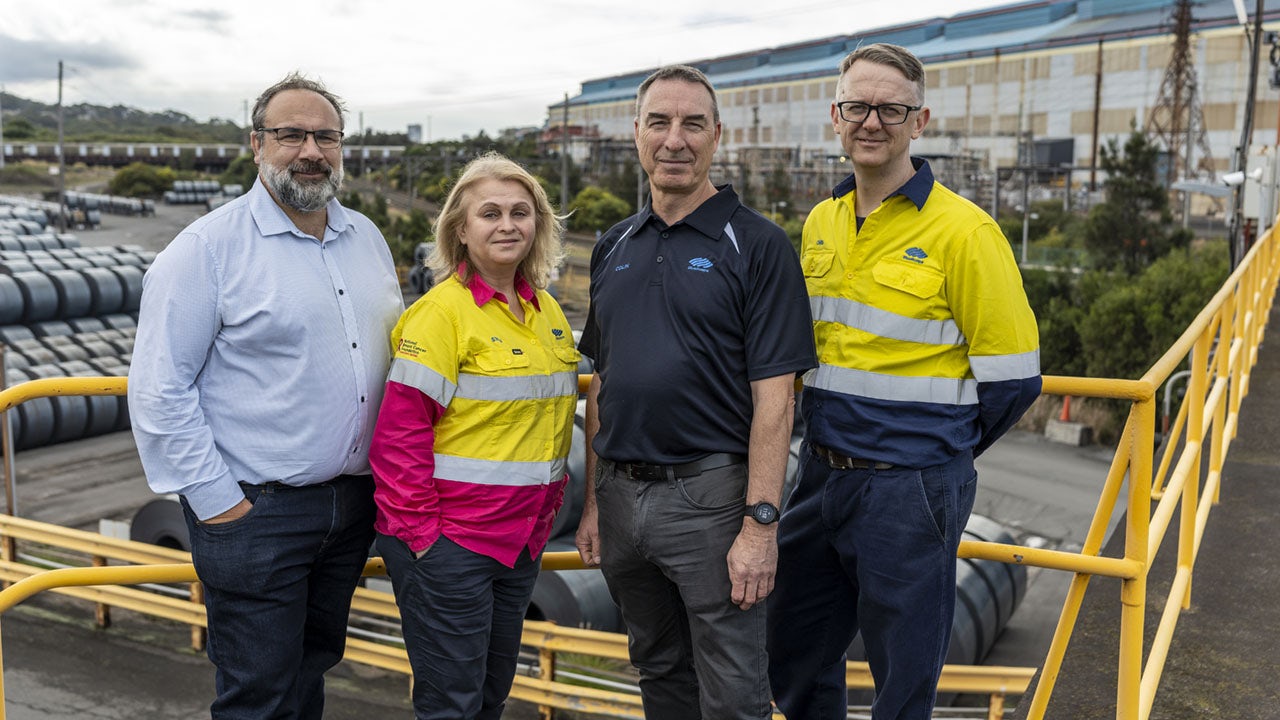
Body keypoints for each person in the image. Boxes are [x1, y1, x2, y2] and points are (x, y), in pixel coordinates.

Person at [766, 43, 1042, 720]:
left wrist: (935, 450)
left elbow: (1013, 380)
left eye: (891, 108)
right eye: (858, 106)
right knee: (795, 652)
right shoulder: (823, 221)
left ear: (919, 122)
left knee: (904, 677)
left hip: (910, 486)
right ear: (836, 116)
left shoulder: (965, 232)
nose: (872, 121)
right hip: (821, 475)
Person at [128, 72, 404, 719]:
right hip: (257, 513)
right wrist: (221, 505)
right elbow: (159, 389)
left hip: (350, 507)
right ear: (256, 144)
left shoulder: (366, 238)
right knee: (259, 696)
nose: (311, 149)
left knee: (309, 676)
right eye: (291, 134)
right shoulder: (205, 250)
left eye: (326, 136)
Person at [574, 65, 817, 719]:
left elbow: (777, 400)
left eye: (692, 124)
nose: (674, 139)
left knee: (734, 691)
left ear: (717, 136)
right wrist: (595, 503)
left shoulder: (758, 245)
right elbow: (602, 380)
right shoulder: (613, 243)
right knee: (659, 670)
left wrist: (759, 527)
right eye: (659, 122)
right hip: (622, 499)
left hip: (709, 501)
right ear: (637, 133)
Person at [369, 152, 578, 720]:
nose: (507, 224)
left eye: (520, 211)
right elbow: (399, 437)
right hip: (452, 544)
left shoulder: (547, 312)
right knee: (451, 705)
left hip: (520, 541)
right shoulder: (442, 315)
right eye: (489, 213)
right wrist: (427, 543)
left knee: (489, 697)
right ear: (461, 230)